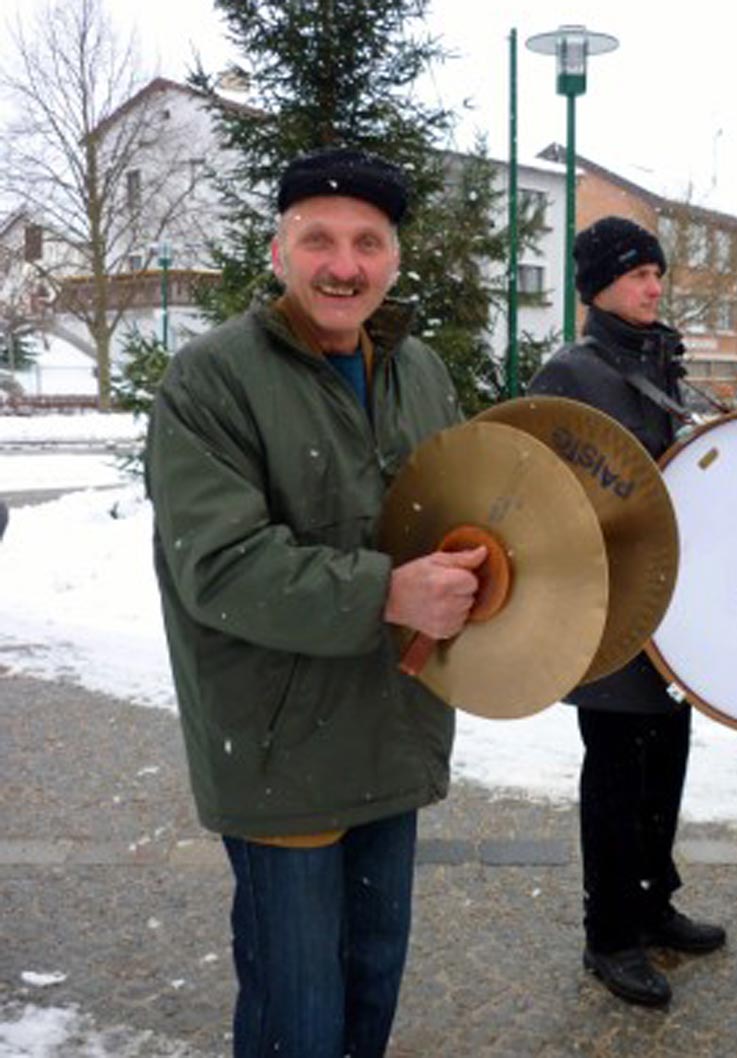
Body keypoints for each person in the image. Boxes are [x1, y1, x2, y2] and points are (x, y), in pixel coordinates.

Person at [145, 148, 486, 1058]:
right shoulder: (212, 379)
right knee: (297, 1014)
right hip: (279, 745)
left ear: (394, 260)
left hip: (395, 725)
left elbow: (456, 515)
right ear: (278, 253)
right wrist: (391, 591)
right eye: (319, 239)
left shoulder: (418, 373)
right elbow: (216, 565)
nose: (345, 264)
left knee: (372, 985)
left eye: (368, 242)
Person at [527, 216, 726, 1009]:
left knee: (666, 756)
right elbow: (542, 488)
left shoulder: (660, 363)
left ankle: (652, 902)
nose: (654, 287)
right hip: (608, 610)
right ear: (598, 285)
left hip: (669, 606)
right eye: (640, 274)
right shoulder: (571, 372)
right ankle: (610, 934)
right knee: (616, 772)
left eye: (657, 275)